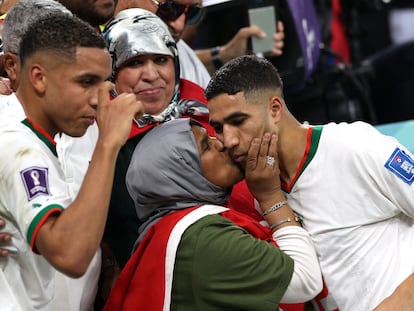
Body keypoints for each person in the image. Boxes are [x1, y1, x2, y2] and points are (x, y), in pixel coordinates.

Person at [205, 54, 414, 311]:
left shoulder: (356, 146)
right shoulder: (259, 192)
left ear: (275, 109)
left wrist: (400, 301)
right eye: (217, 127)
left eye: (238, 121)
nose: (229, 140)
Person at [0, 12, 143, 310]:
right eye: (86, 82)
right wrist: (107, 143)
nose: (98, 99)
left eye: (104, 83)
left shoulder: (37, 138)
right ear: (39, 77)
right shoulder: (17, 144)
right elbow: (71, 255)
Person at [102, 117, 322, 310]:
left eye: (211, 137)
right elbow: (305, 280)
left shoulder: (170, 230)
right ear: (180, 172)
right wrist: (271, 197)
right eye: (206, 147)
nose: (222, 144)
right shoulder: (201, 237)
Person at [113, 0, 285, 87]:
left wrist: (224, 56)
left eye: (193, 13)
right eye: (170, 9)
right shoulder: (96, 52)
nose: (179, 25)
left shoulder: (176, 47)